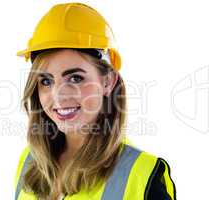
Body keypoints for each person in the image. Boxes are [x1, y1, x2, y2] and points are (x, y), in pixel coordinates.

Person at [14, 2, 176, 200]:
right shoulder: (29, 162)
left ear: (108, 81)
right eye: (46, 81)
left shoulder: (143, 175)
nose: (59, 96)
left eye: (75, 78)